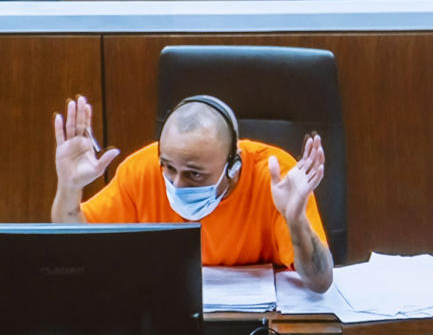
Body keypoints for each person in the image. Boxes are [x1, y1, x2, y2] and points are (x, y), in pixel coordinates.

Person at [50, 94, 334, 293]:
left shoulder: (274, 176)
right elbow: (74, 250)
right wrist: (69, 188)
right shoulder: (143, 169)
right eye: (169, 168)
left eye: (195, 174)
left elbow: (319, 282)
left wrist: (296, 220)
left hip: (261, 331)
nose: (177, 183)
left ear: (233, 167)